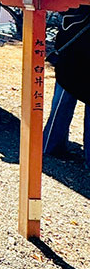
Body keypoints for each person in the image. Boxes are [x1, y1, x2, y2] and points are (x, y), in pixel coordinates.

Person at [44, 9, 90, 167]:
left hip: (73, 53)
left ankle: (51, 145)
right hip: (73, 56)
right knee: (62, 104)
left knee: (62, 104)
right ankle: (51, 145)